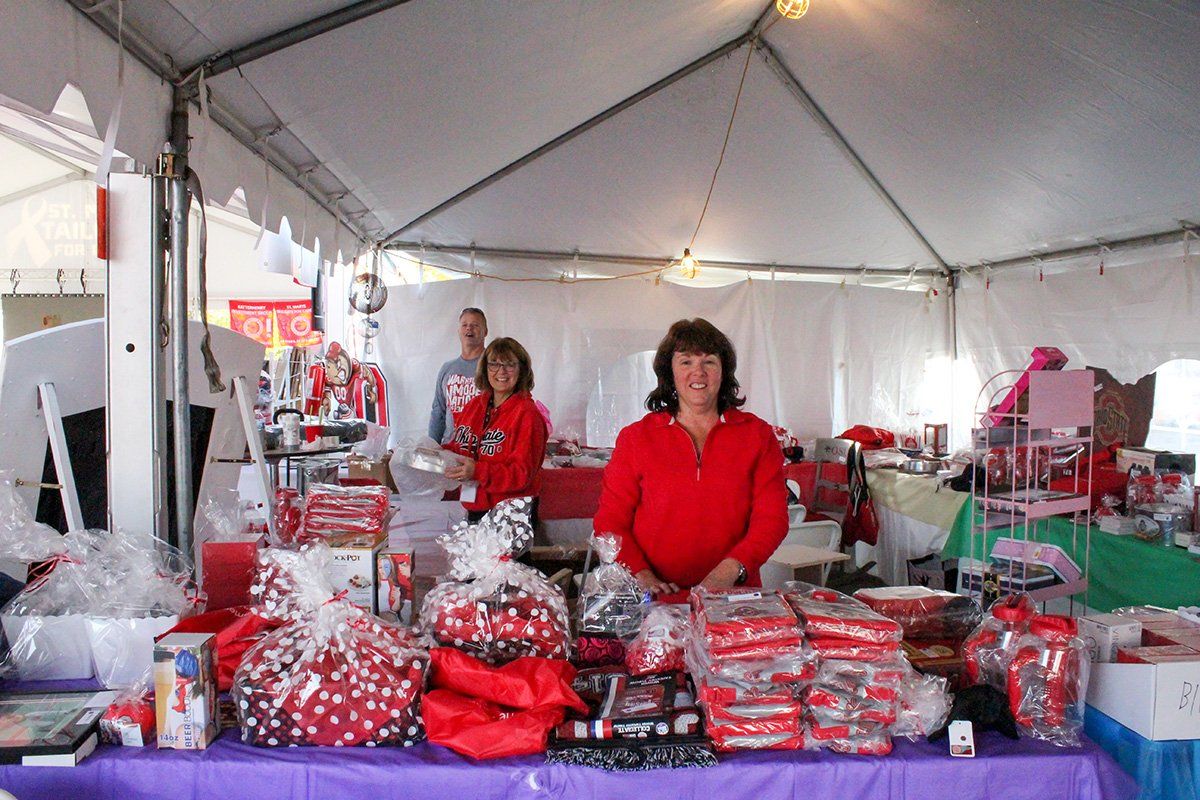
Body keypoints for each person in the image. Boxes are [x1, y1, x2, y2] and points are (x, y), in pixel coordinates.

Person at [593, 318, 788, 601]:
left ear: (724, 371)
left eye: (709, 361)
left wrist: (731, 570)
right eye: (686, 361)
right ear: (669, 372)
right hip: (655, 598)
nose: (698, 372)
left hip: (733, 596)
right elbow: (610, 521)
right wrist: (641, 574)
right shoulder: (636, 438)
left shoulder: (757, 435)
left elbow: (772, 520)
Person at [444, 337, 548, 521]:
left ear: (522, 370)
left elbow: (521, 474)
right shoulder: (474, 406)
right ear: (485, 368)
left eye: (509, 365)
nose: (501, 371)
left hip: (512, 514)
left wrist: (478, 471)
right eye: (494, 364)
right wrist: (435, 454)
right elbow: (460, 449)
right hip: (476, 507)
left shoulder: (528, 415)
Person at [428, 307, 488, 443]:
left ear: (485, 332)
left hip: (482, 449)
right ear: (459, 331)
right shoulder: (447, 368)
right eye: (464, 325)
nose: (469, 328)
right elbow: (438, 412)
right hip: (450, 448)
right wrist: (431, 447)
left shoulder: (494, 367)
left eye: (475, 325)